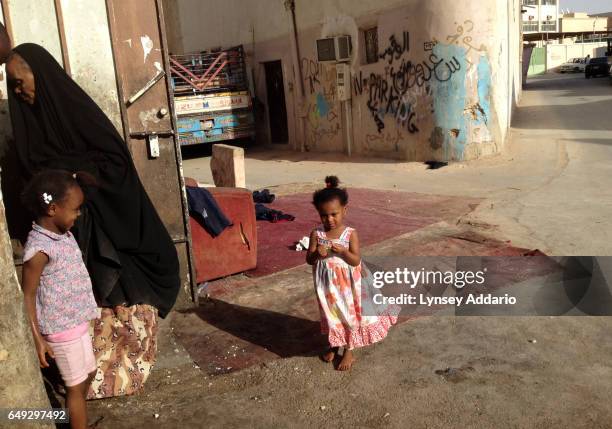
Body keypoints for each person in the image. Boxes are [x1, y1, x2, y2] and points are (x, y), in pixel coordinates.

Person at [6, 43, 180, 397]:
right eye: (11, 85)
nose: (18, 90)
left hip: (99, 223)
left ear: (38, 72)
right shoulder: (31, 127)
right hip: (66, 235)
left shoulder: (74, 110)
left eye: (20, 81)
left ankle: (121, 365)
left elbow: (114, 161)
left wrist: (72, 177)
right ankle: (89, 374)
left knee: (116, 288)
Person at [21, 170, 98, 429]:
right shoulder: (39, 249)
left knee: (89, 374)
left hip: (76, 323)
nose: (78, 214)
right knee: (75, 388)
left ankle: (75, 418)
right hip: (61, 331)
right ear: (53, 209)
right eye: (75, 209)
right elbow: (28, 295)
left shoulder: (63, 234)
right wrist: (37, 339)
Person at [306, 176, 398, 371]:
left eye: (334, 214)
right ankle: (335, 344)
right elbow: (309, 260)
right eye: (324, 215)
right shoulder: (316, 234)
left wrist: (343, 252)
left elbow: (356, 260)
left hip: (349, 286)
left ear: (344, 210)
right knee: (332, 315)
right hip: (328, 287)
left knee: (348, 315)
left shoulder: (350, 234)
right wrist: (316, 253)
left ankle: (349, 349)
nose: (329, 219)